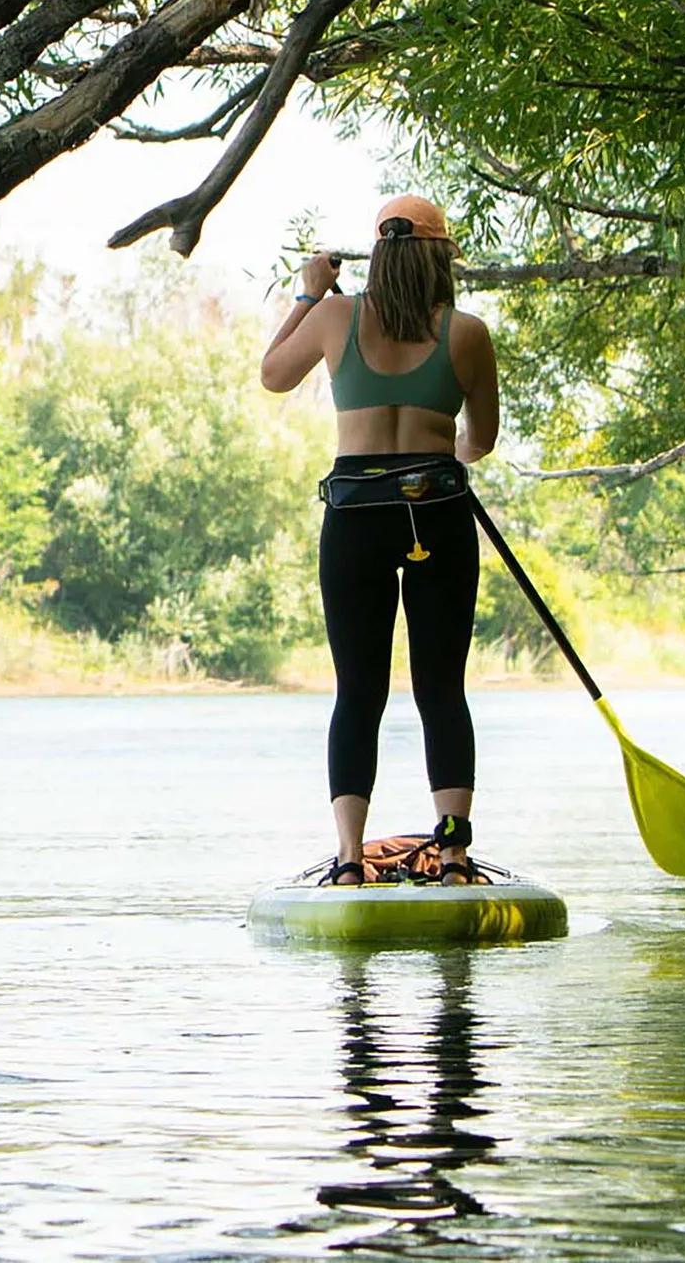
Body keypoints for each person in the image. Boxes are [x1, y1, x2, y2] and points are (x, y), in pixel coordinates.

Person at [261, 195, 500, 885]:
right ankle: (453, 853)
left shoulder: (335, 317)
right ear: (439, 258)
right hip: (438, 514)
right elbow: (478, 443)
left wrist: (307, 296)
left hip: (356, 520)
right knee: (441, 689)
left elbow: (273, 373)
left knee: (357, 692)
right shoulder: (468, 334)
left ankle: (348, 861)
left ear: (381, 255)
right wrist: (437, 453)